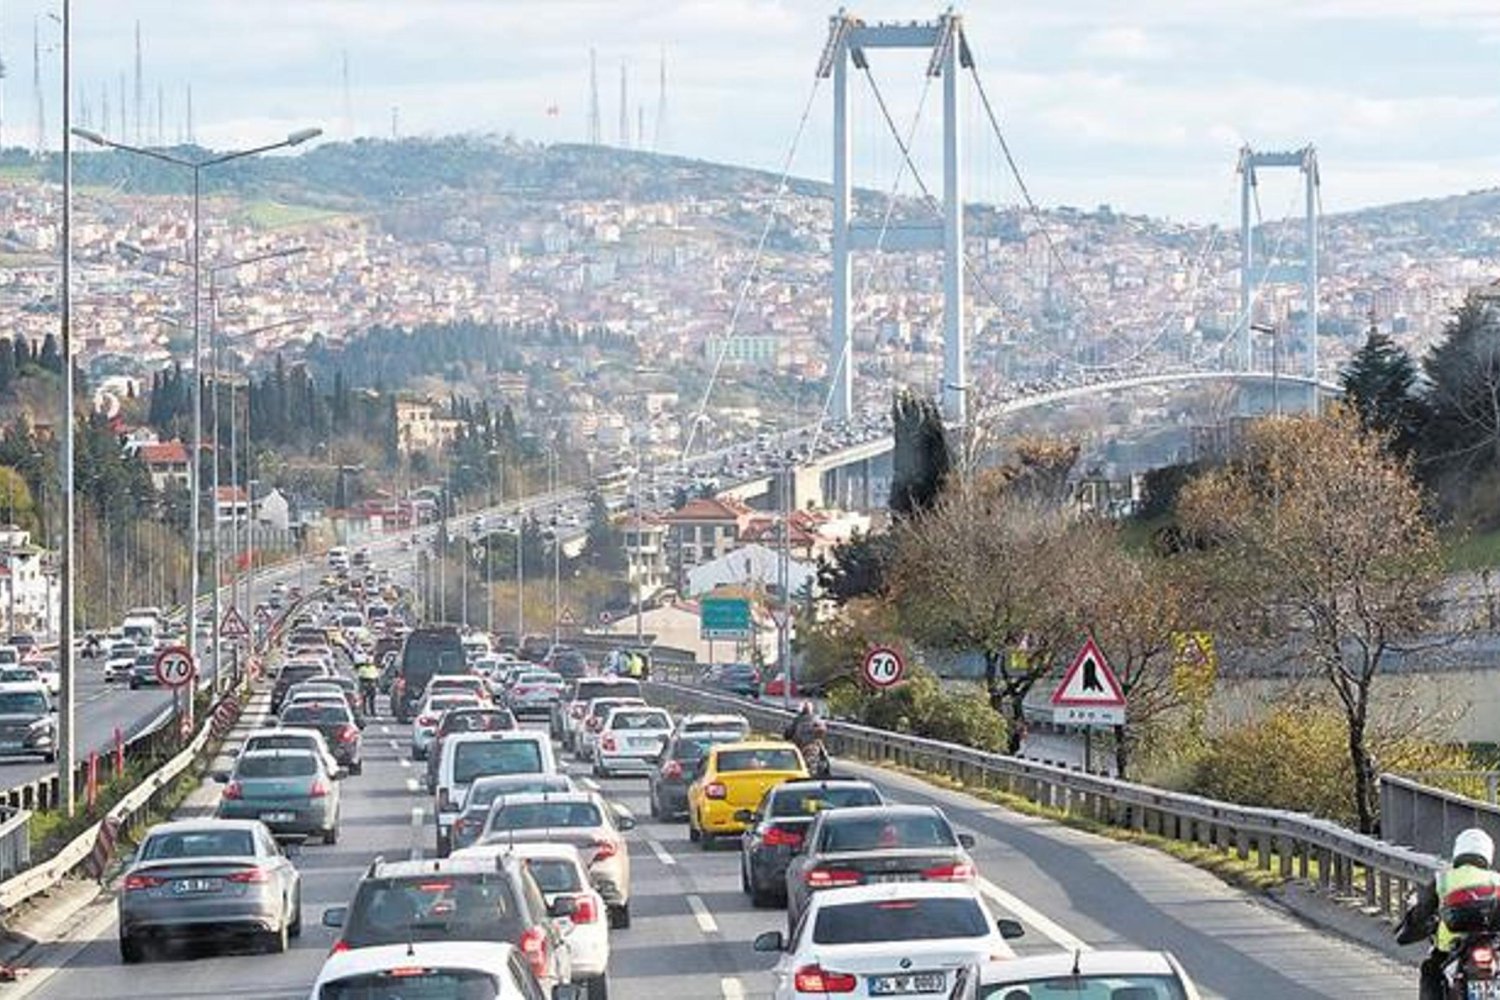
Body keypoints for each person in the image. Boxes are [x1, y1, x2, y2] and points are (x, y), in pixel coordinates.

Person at [1398, 827, 1500, 1000]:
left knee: (1430, 970)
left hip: (1450, 948)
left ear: (1458, 850)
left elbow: (1422, 912)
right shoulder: (1496, 879)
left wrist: (1410, 929)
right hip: (1493, 946)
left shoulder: (1443, 879)